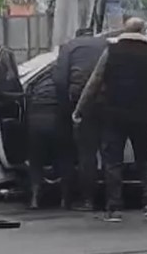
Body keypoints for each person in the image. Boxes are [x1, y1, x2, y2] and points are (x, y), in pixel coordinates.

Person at [73, 17, 147, 223]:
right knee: (145, 160)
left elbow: (94, 81)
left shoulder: (112, 51)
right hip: (142, 116)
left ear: (125, 29)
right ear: (143, 30)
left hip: (113, 114)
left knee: (113, 162)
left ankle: (114, 208)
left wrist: (80, 109)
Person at [53, 27, 108, 211]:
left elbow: (60, 79)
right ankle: (112, 200)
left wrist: (65, 107)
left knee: (87, 154)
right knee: (110, 153)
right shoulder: (106, 44)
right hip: (106, 101)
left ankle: (88, 200)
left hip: (81, 103)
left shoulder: (69, 47)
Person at [24, 61, 65, 209]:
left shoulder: (37, 81)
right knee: (63, 158)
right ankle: (64, 199)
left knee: (36, 161)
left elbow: (26, 98)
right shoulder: (63, 81)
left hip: (36, 122)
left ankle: (34, 199)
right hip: (56, 121)